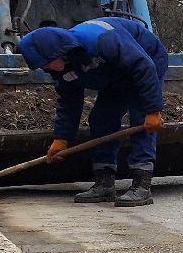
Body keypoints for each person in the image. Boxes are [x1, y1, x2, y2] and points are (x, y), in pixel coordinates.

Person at [17, 17, 169, 206]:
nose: (45, 68)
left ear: (57, 52)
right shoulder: (62, 68)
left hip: (147, 61)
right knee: (101, 118)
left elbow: (143, 66)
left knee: (141, 120)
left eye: (46, 63)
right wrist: (61, 138)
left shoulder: (101, 40)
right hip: (115, 74)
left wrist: (153, 110)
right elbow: (69, 101)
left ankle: (142, 185)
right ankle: (104, 183)